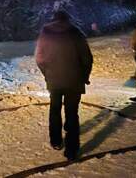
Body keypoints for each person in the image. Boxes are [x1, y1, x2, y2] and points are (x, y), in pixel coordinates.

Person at [35, 11, 93, 161]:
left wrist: (47, 74)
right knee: (72, 112)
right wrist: (84, 77)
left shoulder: (46, 33)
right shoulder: (76, 33)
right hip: (74, 81)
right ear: (68, 19)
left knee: (55, 109)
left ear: (54, 19)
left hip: (54, 81)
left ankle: (55, 141)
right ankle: (71, 151)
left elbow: (39, 59)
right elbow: (87, 58)